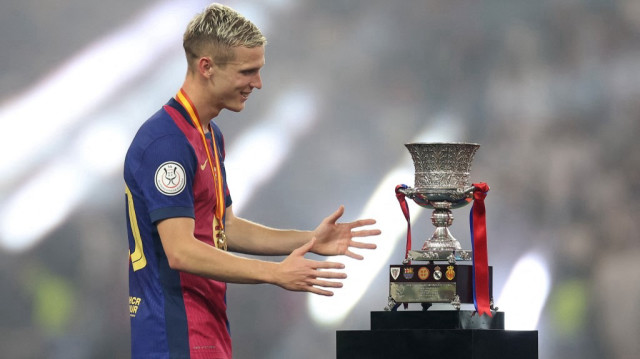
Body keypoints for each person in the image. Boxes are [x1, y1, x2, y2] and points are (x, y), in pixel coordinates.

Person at [123, 3, 380, 359]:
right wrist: (274, 274)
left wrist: (310, 240)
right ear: (206, 67)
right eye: (247, 72)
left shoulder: (208, 136)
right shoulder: (166, 143)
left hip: (205, 331)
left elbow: (225, 227)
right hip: (174, 336)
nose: (257, 84)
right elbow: (180, 250)